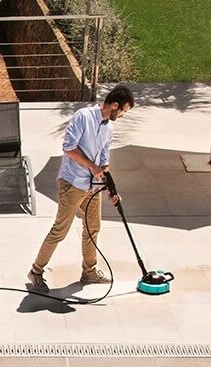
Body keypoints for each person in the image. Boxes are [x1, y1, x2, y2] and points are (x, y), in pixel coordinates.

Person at [28, 84, 134, 294]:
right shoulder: (83, 117)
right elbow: (69, 148)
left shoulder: (108, 128)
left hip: (92, 187)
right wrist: (92, 166)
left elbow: (104, 162)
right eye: (123, 111)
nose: (123, 115)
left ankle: (89, 271)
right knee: (60, 230)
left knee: (93, 227)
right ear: (115, 105)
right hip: (72, 183)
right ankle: (36, 271)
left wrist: (112, 189)